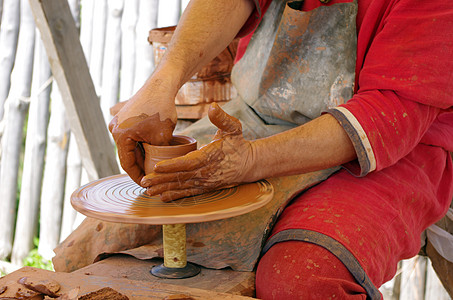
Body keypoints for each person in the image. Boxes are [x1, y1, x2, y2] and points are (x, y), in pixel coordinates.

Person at [58, 0, 453, 299]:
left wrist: (251, 161)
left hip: (392, 144)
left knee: (302, 279)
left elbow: (389, 112)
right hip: (256, 118)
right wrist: (163, 80)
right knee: (86, 250)